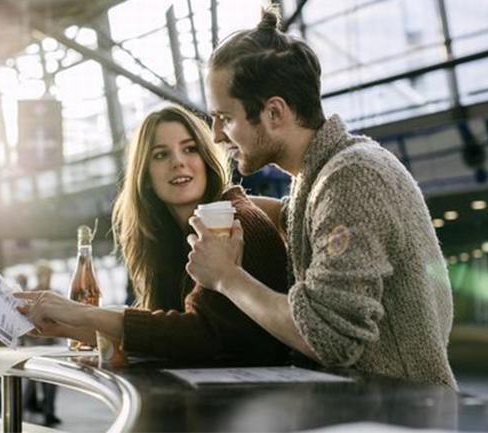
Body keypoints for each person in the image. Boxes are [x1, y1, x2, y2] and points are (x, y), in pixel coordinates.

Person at [185, 5, 457, 388]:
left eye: (225, 118)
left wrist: (226, 277)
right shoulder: (319, 179)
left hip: (398, 418)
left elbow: (330, 339)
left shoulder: (353, 178)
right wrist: (266, 214)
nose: (215, 135)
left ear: (274, 112)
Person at [16, 105, 289, 364]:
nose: (178, 162)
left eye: (190, 149)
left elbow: (200, 336)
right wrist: (63, 327)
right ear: (145, 176)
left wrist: (80, 312)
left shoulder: (233, 221)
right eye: (161, 155)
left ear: (206, 159)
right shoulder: (174, 239)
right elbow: (163, 334)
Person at [21, 266, 61, 427]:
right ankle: (21, 411)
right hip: (34, 345)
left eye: (49, 275)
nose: (48, 278)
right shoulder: (32, 295)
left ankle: (49, 412)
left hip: (50, 343)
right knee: (30, 380)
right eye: (45, 275)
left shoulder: (55, 294)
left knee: (51, 380)